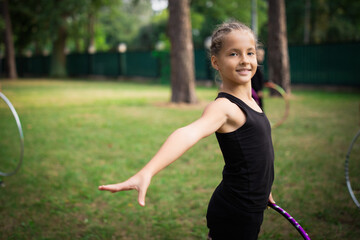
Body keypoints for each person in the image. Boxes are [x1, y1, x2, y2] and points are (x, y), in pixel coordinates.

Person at [98, 20, 275, 240]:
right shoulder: (223, 107)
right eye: (233, 54)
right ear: (215, 62)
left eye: (250, 53)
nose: (245, 61)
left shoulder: (251, 101)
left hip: (251, 203)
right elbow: (188, 133)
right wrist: (147, 171)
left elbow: (254, 152)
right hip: (236, 211)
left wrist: (263, 185)